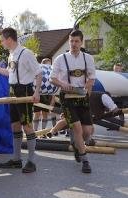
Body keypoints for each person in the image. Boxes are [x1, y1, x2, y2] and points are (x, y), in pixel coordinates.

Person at [0, 27, 42, 173]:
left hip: (24, 91)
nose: (1, 43)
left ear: (9, 39)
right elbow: (9, 74)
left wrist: (37, 92)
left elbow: (38, 73)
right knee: (15, 125)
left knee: (27, 125)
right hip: (13, 91)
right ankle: (16, 159)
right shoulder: (11, 54)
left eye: (2, 40)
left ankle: (32, 162)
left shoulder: (26, 53)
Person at [50, 29, 96, 173]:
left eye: (76, 41)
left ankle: (77, 145)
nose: (74, 44)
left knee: (87, 131)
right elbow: (52, 78)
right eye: (71, 41)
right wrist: (63, 84)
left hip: (82, 97)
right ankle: (85, 160)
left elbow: (91, 78)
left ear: (81, 42)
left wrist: (86, 87)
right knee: (77, 128)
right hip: (67, 97)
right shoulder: (60, 59)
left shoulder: (88, 58)